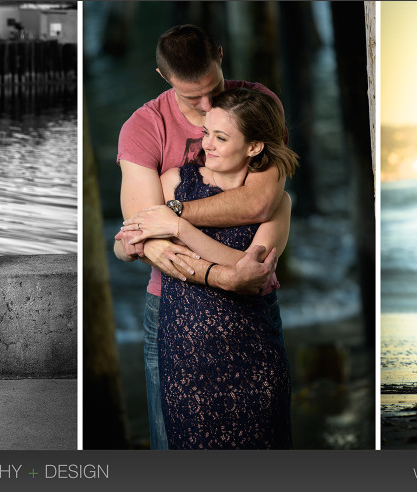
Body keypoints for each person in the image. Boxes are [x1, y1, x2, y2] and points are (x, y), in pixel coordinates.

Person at [112, 25, 288, 449]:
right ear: (163, 76)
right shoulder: (144, 128)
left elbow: (261, 204)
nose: (208, 106)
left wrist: (175, 219)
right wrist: (221, 275)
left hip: (251, 319)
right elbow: (143, 240)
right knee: (174, 445)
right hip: (174, 315)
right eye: (194, 98)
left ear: (221, 57)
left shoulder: (256, 105)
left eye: (215, 88)